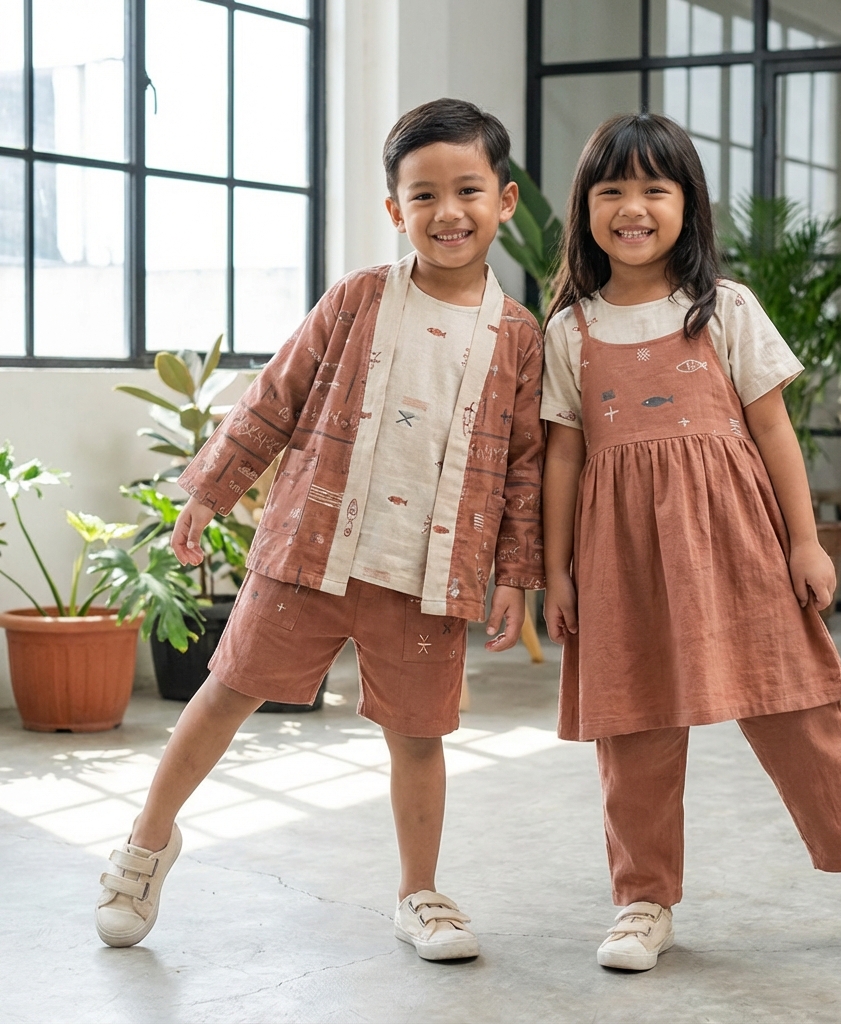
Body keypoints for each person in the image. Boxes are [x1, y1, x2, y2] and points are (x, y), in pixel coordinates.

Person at [95, 98, 545, 961]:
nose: (447, 213)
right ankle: (146, 845)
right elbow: (275, 396)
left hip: (429, 573)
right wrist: (209, 491)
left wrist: (515, 575)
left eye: (467, 190)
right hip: (310, 552)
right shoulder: (358, 300)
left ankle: (422, 892)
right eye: (423, 196)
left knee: (419, 737)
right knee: (226, 693)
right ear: (395, 210)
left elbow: (523, 467)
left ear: (506, 200)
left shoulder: (519, 338)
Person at [541, 112, 841, 972]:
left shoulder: (724, 309)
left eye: (656, 187)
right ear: (586, 208)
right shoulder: (571, 329)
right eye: (612, 190)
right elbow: (564, 454)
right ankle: (643, 900)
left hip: (738, 543)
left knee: (800, 712)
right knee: (633, 727)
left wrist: (805, 542)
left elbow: (776, 432)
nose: (633, 206)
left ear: (689, 204)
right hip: (620, 560)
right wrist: (555, 571)